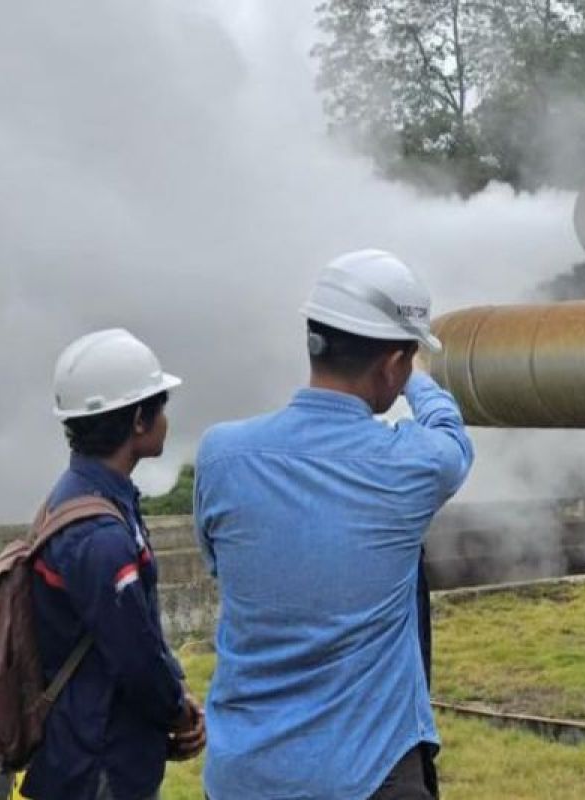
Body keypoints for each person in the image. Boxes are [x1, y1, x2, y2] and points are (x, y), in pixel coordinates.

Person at [194, 249, 474, 800]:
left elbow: (220, 562)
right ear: (394, 364)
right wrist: (418, 378)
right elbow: (451, 435)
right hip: (368, 774)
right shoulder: (412, 463)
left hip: (243, 776)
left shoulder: (221, 456)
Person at [25, 329, 204, 800]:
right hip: (97, 764)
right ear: (140, 420)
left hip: (84, 747)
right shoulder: (98, 534)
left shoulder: (80, 500)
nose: (166, 419)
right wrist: (179, 711)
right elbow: (134, 654)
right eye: (160, 407)